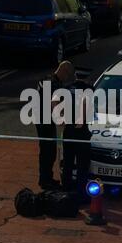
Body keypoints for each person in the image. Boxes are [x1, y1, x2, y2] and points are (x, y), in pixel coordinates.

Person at [35, 61, 76, 190]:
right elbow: (55, 105)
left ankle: (46, 178)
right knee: (48, 151)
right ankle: (45, 180)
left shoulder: (46, 80)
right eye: (68, 75)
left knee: (47, 151)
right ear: (63, 71)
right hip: (45, 121)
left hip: (42, 120)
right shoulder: (53, 84)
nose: (67, 78)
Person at [56, 73, 94, 204]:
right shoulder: (89, 89)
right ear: (87, 78)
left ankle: (66, 190)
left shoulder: (66, 88)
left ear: (75, 76)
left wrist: (59, 118)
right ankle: (81, 193)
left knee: (68, 162)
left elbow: (53, 101)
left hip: (68, 131)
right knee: (82, 164)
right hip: (82, 132)